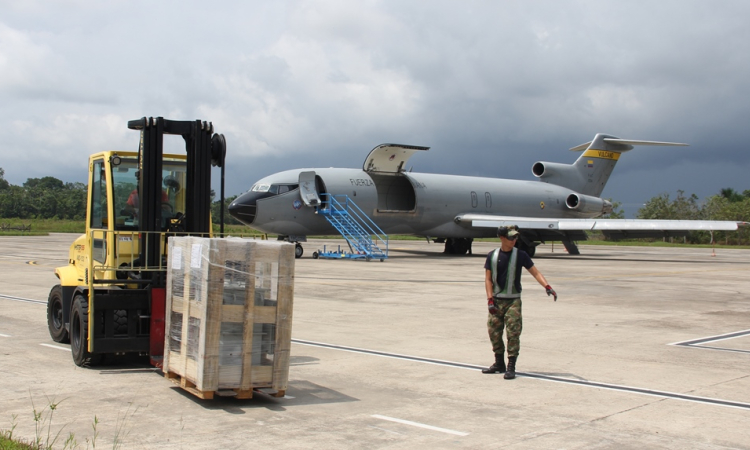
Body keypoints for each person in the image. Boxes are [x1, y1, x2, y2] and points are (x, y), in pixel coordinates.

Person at [482, 225, 557, 379]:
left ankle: (511, 366)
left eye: (516, 237)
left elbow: (535, 272)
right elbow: (488, 279)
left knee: (513, 333)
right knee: (494, 333)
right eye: (511, 237)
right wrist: (490, 299)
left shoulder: (521, 255)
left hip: (513, 301)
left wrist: (547, 286)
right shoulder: (492, 255)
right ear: (502, 238)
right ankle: (498, 363)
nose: (514, 240)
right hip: (496, 300)